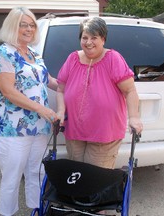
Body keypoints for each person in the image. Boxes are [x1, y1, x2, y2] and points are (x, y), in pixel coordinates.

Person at [0, 7, 58, 216]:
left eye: (32, 24)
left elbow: (50, 81)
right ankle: (7, 213)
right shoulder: (3, 53)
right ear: (12, 26)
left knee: (37, 171)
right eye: (23, 24)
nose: (29, 29)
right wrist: (42, 109)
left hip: (39, 125)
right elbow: (9, 92)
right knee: (12, 175)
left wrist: (73, 84)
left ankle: (36, 210)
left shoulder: (34, 54)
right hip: (13, 127)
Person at [56, 17, 143, 170]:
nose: (88, 42)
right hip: (75, 132)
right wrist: (61, 111)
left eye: (94, 37)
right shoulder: (72, 59)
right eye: (84, 37)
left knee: (95, 180)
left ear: (103, 39)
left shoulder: (113, 59)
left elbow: (130, 90)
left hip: (104, 134)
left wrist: (134, 117)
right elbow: (60, 89)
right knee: (75, 176)